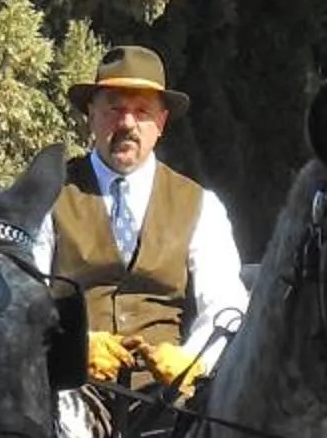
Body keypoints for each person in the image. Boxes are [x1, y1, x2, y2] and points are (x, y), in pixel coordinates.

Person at [33, 43, 248, 394]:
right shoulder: (48, 196)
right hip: (69, 393)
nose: (127, 123)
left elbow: (227, 305)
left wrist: (193, 361)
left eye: (142, 111)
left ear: (161, 123)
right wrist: (73, 346)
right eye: (114, 109)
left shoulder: (201, 206)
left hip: (170, 400)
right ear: (91, 114)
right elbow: (24, 300)